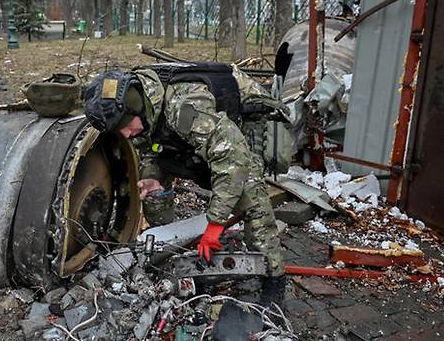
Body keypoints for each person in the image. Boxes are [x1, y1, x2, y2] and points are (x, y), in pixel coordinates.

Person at [83, 63, 289, 306]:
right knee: (153, 195)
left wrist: (215, 223)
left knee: (251, 199)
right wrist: (154, 179)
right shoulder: (144, 111)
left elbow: (233, 158)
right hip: (203, 134)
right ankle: (169, 252)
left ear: (134, 110)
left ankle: (275, 278)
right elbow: (150, 149)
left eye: (125, 127)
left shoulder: (185, 108)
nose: (126, 135)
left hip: (246, 122)